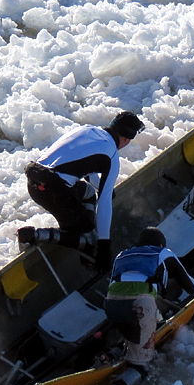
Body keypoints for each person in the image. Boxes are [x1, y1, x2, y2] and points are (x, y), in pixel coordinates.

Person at [17, 111, 144, 273]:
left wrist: (101, 188)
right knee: (90, 240)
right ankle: (33, 235)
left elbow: (83, 166)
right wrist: (104, 245)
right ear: (126, 139)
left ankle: (80, 232)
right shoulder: (112, 155)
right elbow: (104, 204)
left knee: (88, 193)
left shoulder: (87, 129)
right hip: (55, 192)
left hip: (35, 179)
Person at [104, 227, 194, 369]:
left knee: (134, 323)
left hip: (111, 307)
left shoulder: (121, 255)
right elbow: (190, 287)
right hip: (140, 305)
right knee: (140, 361)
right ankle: (137, 367)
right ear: (161, 244)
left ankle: (115, 351)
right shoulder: (164, 253)